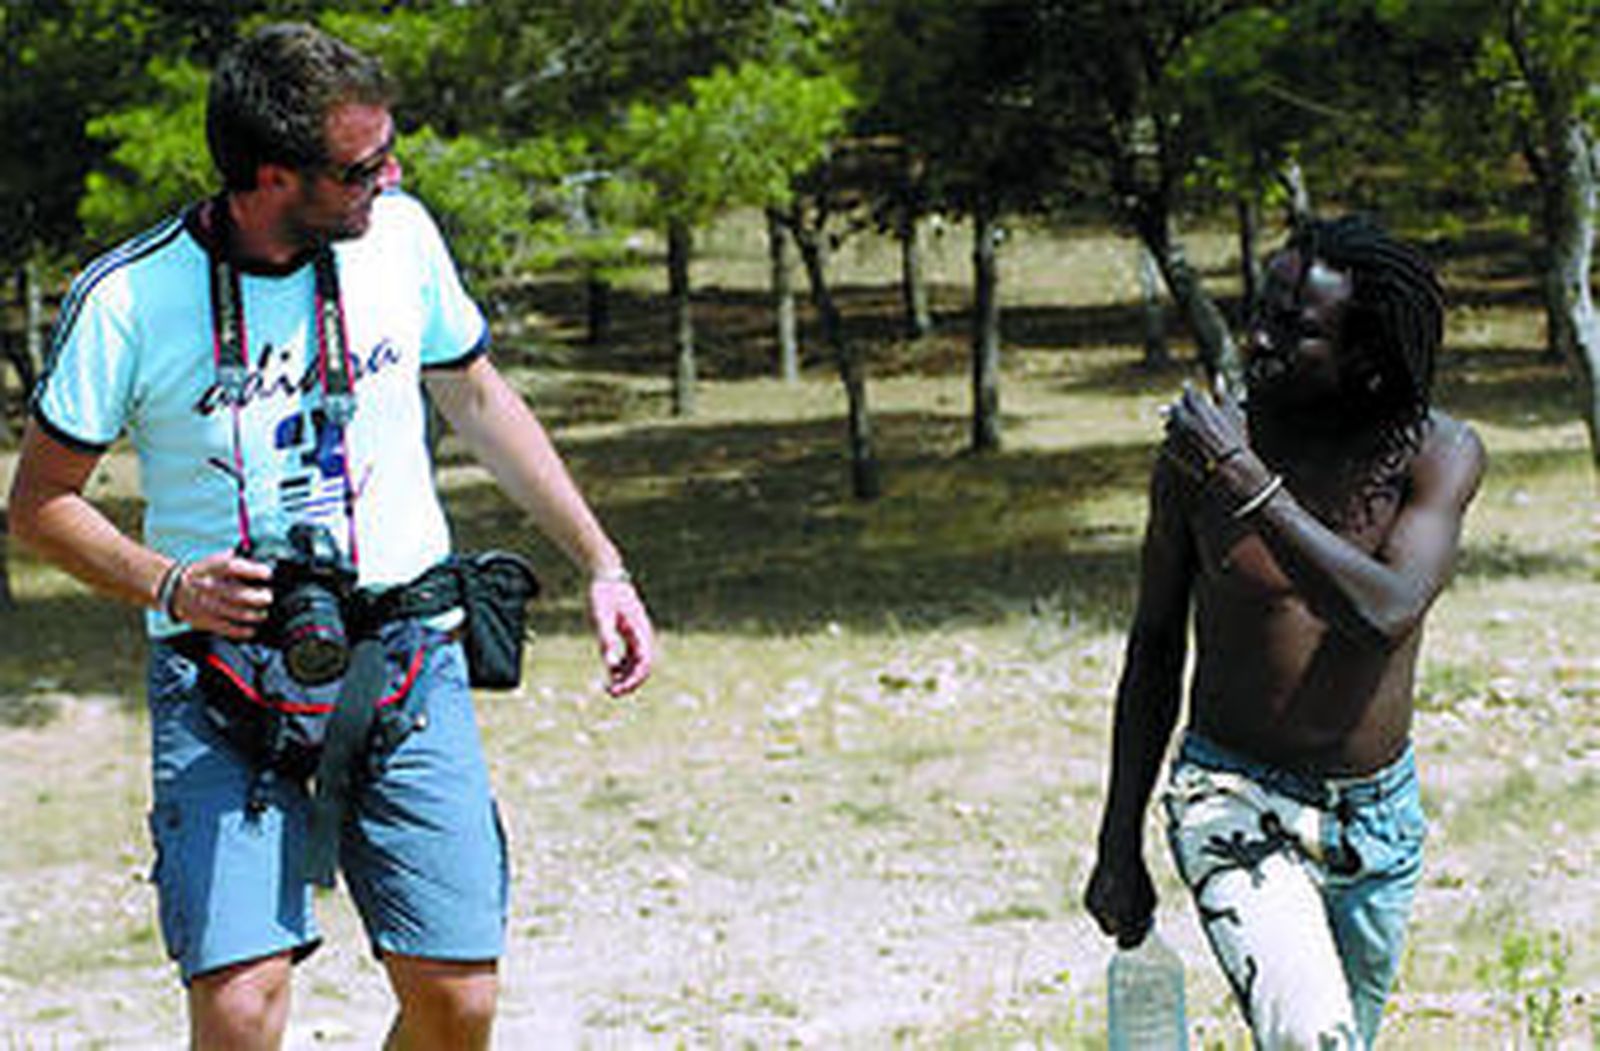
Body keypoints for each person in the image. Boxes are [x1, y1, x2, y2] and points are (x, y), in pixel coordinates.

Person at [7, 22, 654, 1050]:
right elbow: (39, 504)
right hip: (223, 678)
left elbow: (479, 397)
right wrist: (172, 584)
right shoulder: (126, 299)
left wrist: (603, 562)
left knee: (458, 999)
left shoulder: (400, 236)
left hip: (406, 656)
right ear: (272, 175)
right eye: (360, 168)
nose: (387, 178)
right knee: (240, 1007)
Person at [1084, 215, 1485, 1048]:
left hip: (1377, 819)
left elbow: (1383, 611)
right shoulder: (1199, 457)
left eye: (1296, 329)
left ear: (1365, 355)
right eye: (1260, 309)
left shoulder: (1434, 455)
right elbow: (1154, 644)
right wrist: (1117, 838)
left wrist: (1250, 481)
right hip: (1233, 795)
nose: (1257, 337)